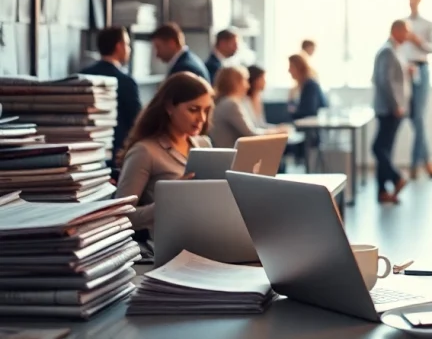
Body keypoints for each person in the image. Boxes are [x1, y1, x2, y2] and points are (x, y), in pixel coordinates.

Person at [113, 72, 214, 232]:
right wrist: (169, 200)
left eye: (206, 110)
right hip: (169, 240)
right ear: (169, 107)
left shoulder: (204, 144)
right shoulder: (144, 151)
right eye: (194, 109)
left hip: (206, 231)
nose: (202, 118)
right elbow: (121, 216)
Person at [80, 26, 142, 168]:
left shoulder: (83, 76)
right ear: (119, 46)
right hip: (115, 154)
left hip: (84, 154)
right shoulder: (125, 82)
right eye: (127, 44)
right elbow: (137, 122)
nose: (129, 49)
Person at [372, 19, 411, 203]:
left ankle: (382, 191)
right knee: (379, 148)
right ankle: (396, 178)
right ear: (396, 30)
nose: (408, 36)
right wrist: (395, 105)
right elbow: (384, 80)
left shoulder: (395, 50)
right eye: (406, 31)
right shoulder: (387, 51)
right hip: (389, 109)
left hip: (394, 108)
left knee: (384, 150)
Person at [401, 0, 432, 179]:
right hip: (406, 71)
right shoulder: (402, 24)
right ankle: (427, 161)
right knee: (413, 118)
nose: (411, 1)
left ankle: (415, 165)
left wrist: (417, 40)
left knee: (419, 118)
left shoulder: (427, 24)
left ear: (419, 0)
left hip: (421, 70)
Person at [209, 66, 287, 148]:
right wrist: (277, 132)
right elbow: (251, 134)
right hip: (232, 154)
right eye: (245, 80)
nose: (248, 86)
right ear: (235, 83)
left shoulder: (225, 102)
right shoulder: (231, 104)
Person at [288, 54, 328, 120]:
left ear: (300, 68)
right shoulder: (297, 88)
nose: (289, 70)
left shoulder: (311, 85)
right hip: (301, 122)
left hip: (311, 123)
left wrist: (292, 112)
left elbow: (309, 111)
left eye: (291, 66)